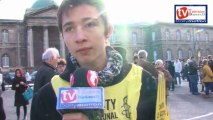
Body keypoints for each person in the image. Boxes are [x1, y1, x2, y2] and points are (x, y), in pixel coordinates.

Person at [30, 0, 157, 120]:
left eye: (90, 24)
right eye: (69, 28)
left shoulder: (143, 82)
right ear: (63, 36)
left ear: (108, 31)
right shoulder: (47, 96)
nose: (79, 37)